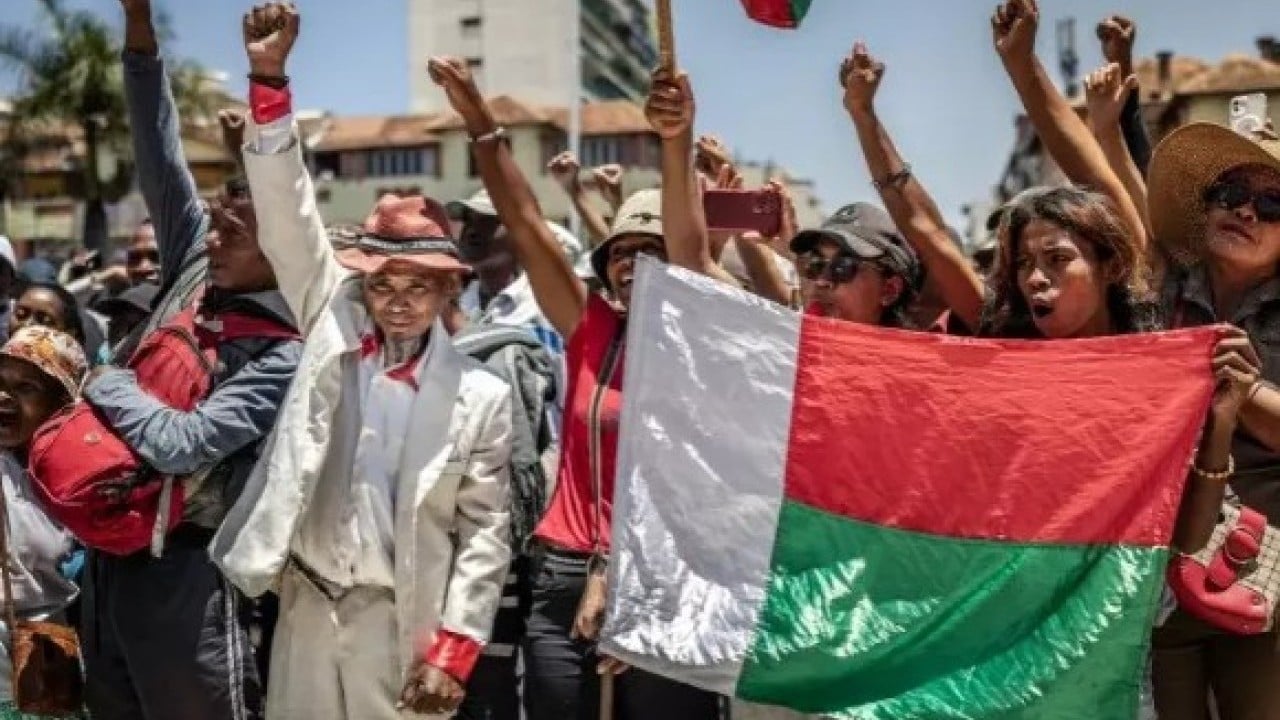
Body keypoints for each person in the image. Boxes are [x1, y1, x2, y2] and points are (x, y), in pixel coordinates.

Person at [209, 7, 513, 719]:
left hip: (402, 618)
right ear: (362, 284)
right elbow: (286, 211)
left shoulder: (481, 396)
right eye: (382, 284)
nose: (398, 301)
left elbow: (485, 534)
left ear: (447, 289)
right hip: (309, 606)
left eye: (418, 286)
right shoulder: (330, 326)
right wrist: (269, 79)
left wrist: (455, 649)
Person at [430, 42, 727, 719]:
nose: (632, 265)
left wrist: (674, 143)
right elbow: (528, 223)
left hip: (665, 580)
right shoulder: (588, 325)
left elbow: (691, 246)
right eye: (620, 253)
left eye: (648, 252)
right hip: (562, 572)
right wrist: (481, 123)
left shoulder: (701, 342)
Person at [78, 2, 304, 718]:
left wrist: (103, 380)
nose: (210, 241)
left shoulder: (284, 352)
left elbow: (185, 446)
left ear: (278, 247)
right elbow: (157, 147)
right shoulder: (189, 274)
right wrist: (140, 29)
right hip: (108, 560)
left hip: (192, 574)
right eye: (212, 227)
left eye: (231, 232)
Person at [1143, 84, 1280, 720]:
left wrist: (1246, 392)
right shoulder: (1158, 293)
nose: (1246, 212)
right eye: (1231, 195)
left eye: (1271, 203)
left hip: (1267, 583)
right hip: (1160, 570)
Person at [0, 326, 86, 720]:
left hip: (51, 660)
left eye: (27, 388)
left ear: (61, 403)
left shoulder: (83, 479)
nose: (5, 398)